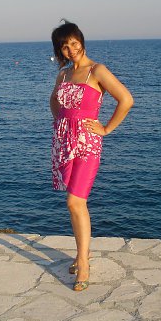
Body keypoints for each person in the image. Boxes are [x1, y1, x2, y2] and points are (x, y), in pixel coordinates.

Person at [50, 20, 133, 291]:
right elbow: (54, 101)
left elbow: (126, 99)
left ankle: (83, 263)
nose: (71, 49)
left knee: (75, 202)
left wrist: (106, 128)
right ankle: (80, 254)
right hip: (65, 143)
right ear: (60, 50)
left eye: (74, 43)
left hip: (87, 144)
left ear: (82, 41)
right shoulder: (63, 75)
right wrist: (62, 123)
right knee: (74, 204)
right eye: (65, 46)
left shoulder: (97, 71)